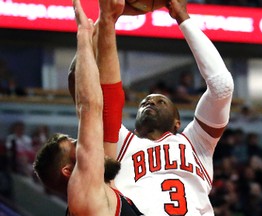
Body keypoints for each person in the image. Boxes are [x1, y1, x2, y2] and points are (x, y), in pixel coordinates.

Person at [113, 0, 234, 215]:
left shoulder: (197, 143)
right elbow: (87, 93)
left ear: (177, 122)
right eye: (144, 102)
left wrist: (183, 18)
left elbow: (222, 86)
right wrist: (106, 21)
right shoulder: (121, 141)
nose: (150, 102)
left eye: (161, 101)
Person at [33, 0, 142, 215]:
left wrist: (108, 19)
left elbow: (104, 104)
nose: (81, 141)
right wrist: (83, 34)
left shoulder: (101, 188)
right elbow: (89, 107)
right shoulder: (85, 195)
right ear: (67, 171)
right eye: (75, 144)